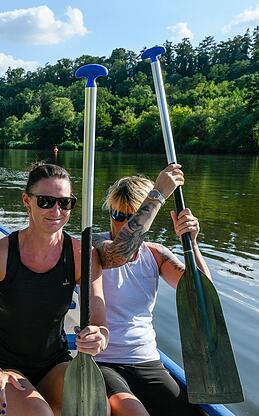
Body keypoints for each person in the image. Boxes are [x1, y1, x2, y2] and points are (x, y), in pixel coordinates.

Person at [0, 163, 109, 416]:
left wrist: (100, 337)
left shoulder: (82, 256)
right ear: (26, 201)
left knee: (98, 409)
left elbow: (101, 322)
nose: (56, 210)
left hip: (54, 363)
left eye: (65, 203)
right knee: (40, 414)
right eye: (45, 201)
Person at [92, 165, 198, 416]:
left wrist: (191, 243)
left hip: (147, 360)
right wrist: (158, 193)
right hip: (104, 361)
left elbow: (199, 293)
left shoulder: (156, 254)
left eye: (132, 216)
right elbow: (120, 253)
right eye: (117, 215)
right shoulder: (93, 245)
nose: (122, 224)